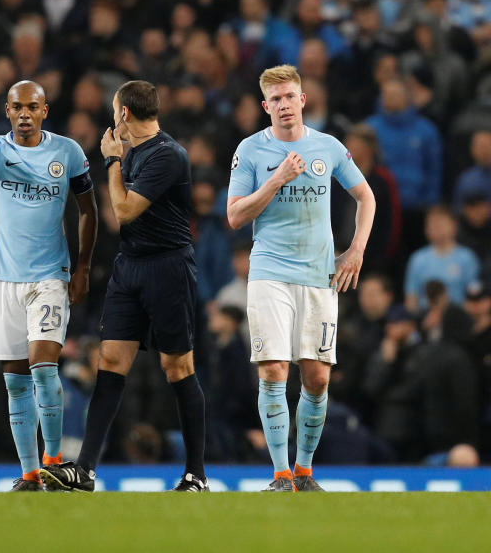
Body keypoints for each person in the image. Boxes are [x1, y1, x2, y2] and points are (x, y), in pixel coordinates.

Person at [42, 80, 210, 493]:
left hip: (168, 270)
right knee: (110, 361)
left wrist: (113, 162)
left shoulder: (168, 155)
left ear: (123, 114)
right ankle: (85, 471)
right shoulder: (138, 151)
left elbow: (124, 211)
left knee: (178, 368)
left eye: (114, 109)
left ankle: (196, 474)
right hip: (129, 267)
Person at [225, 65, 375, 491]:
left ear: (303, 99)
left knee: (317, 376)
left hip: (318, 276)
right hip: (270, 272)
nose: (284, 105)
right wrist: (277, 179)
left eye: (290, 96)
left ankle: (305, 471)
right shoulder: (251, 151)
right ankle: (279, 473)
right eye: (276, 100)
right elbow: (235, 216)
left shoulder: (327, 147)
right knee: (273, 370)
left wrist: (356, 249)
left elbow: (366, 196)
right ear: (265, 106)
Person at [0, 80, 98, 491]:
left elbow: (88, 211)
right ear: (7, 110)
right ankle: (31, 473)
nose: (24, 114)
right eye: (17, 107)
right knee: (15, 379)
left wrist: (84, 266)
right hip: (3, 280)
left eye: (32, 107)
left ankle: (53, 461)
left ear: (44, 111)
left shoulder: (67, 152)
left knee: (43, 366)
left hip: (50, 276)